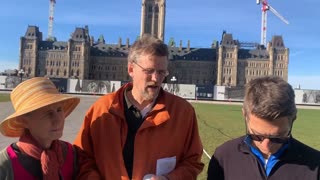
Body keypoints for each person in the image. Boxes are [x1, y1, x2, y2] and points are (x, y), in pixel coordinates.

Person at [73, 35, 204, 180]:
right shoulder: (101, 109)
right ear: (131, 69)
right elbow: (82, 158)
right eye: (149, 71)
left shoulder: (183, 113)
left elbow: (193, 162)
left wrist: (169, 179)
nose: (156, 79)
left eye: (161, 72)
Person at [207, 76, 320, 180]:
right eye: (257, 135)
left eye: (278, 137)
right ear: (245, 115)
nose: (266, 146)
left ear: (293, 118)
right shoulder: (223, 156)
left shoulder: (316, 163)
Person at [0, 77, 80, 179]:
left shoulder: (71, 154)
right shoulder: (5, 167)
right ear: (24, 121)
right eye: (48, 113)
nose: (58, 119)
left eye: (59, 109)